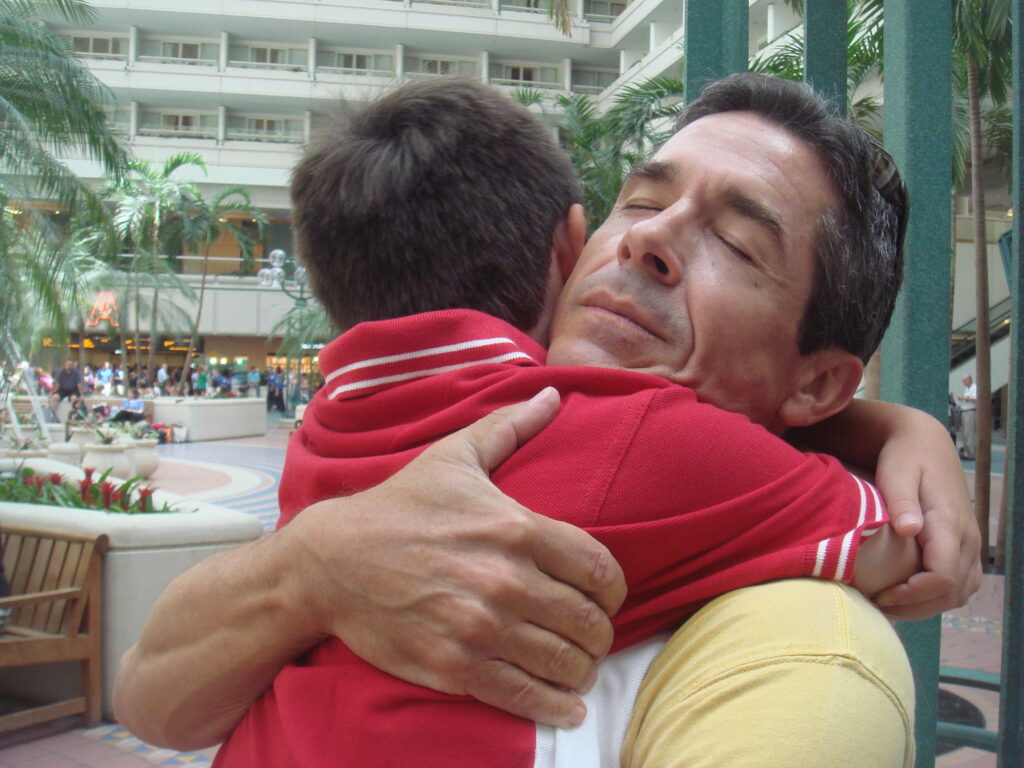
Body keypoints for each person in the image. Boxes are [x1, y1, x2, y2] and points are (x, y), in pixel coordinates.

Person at [115, 76, 980, 762]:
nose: (651, 239)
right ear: (574, 250)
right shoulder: (654, 449)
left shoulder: (346, 409)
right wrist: (903, 431)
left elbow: (151, 704)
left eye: (738, 243)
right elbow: (911, 534)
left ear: (818, 383)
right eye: (642, 202)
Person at [958, 373, 978, 460]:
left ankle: (971, 453)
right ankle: (967, 452)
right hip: (965, 410)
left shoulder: (975, 387)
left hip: (970, 411)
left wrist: (965, 398)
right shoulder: (967, 388)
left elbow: (976, 399)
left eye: (965, 381)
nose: (964, 383)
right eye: (963, 381)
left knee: (969, 432)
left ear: (969, 380)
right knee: (965, 433)